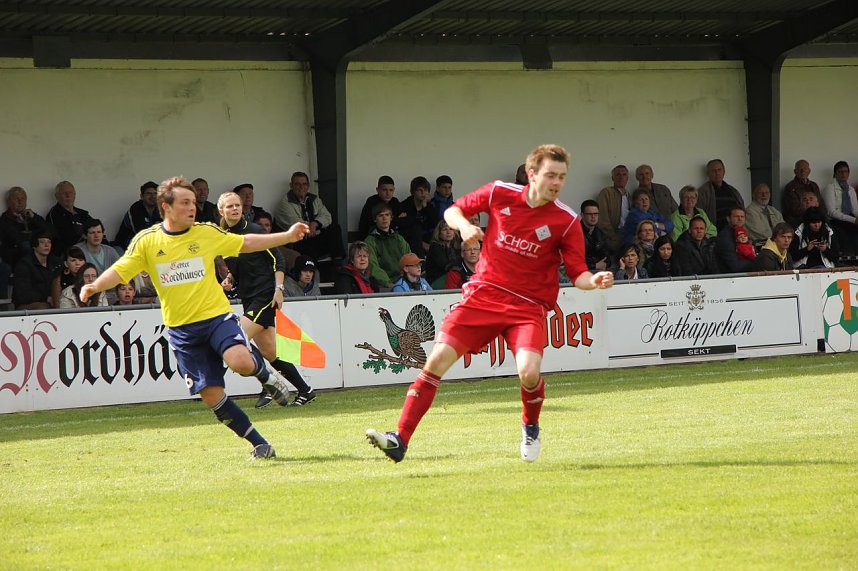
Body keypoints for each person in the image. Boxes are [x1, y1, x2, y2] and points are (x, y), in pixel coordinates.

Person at [366, 144, 614, 464]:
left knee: (528, 372)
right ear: (532, 174)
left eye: (562, 178)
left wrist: (593, 281)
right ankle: (399, 438)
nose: (556, 183)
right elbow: (452, 211)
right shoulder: (500, 193)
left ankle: (530, 424)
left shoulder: (566, 220)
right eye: (551, 175)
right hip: (483, 296)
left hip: (527, 308)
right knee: (436, 361)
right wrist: (466, 226)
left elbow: (578, 272)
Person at [79, 176, 311, 459]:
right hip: (182, 331)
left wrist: (287, 236)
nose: (192, 208)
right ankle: (260, 444)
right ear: (166, 206)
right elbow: (120, 270)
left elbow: (247, 241)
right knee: (212, 397)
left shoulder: (205, 233)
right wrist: (94, 286)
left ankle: (265, 376)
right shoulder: (147, 241)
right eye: (185, 202)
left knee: (239, 361)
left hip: (216, 318)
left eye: (193, 202)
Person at [217, 191, 317, 410]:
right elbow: (241, 264)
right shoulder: (222, 236)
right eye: (230, 206)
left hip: (264, 296)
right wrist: (230, 277)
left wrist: (279, 289)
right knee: (270, 352)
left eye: (237, 205)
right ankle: (305, 391)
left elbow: (278, 261)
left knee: (235, 338)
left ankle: (269, 384)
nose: (234, 209)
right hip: (248, 296)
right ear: (221, 211)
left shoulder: (254, 231)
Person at [275, 171, 345, 261]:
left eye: (304, 184)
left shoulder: (314, 199)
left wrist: (315, 223)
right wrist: (312, 227)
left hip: (315, 235)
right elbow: (296, 225)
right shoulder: (284, 203)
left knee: (334, 228)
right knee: (308, 248)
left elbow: (327, 217)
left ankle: (338, 265)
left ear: (308, 186)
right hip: (297, 241)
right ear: (291, 186)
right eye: (297, 184)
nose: (301, 187)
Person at [364, 202, 411, 289]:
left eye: (387, 215)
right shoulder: (370, 241)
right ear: (375, 219)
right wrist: (387, 283)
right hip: (383, 284)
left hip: (403, 280)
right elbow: (372, 266)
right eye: (380, 215)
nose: (384, 218)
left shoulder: (399, 238)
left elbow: (409, 258)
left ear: (391, 218)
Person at [13, 230, 62, 310]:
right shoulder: (24, 265)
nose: (46, 245)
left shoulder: (56, 262)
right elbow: (23, 294)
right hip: (27, 304)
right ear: (34, 245)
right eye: (42, 242)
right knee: (43, 307)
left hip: (53, 300)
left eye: (49, 242)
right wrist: (46, 298)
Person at [0, 186, 47, 268]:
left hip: (37, 256)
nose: (20, 201)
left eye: (23, 198)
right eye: (16, 199)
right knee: (26, 245)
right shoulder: (4, 220)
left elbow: (50, 231)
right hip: (16, 259)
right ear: (8, 202)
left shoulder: (31, 216)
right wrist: (36, 235)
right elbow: (16, 238)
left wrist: (34, 217)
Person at [45, 180, 93, 256]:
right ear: (57, 196)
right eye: (64, 193)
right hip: (70, 253)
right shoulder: (54, 214)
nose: (68, 195)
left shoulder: (82, 213)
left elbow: (95, 226)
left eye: (70, 193)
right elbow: (64, 237)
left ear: (74, 195)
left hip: (90, 248)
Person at [821, 161, 858, 256]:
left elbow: (855, 210)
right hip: (835, 220)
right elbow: (831, 212)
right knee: (845, 233)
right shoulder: (830, 188)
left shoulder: (850, 189)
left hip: (850, 219)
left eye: (846, 171)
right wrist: (853, 220)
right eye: (840, 172)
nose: (843, 174)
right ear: (835, 173)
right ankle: (848, 258)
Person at [696, 159, 744, 230]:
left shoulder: (733, 191)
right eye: (713, 171)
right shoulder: (703, 192)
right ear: (708, 174)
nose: (717, 173)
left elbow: (742, 210)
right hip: (716, 233)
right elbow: (699, 215)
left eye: (719, 170)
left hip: (736, 232)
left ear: (724, 172)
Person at [596, 164, 632, 257]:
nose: (621, 177)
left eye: (624, 175)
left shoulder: (630, 196)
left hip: (628, 233)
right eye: (618, 175)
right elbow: (602, 218)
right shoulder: (606, 193)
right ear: (613, 178)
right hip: (613, 234)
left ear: (627, 177)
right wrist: (613, 236)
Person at [114, 181, 163, 250]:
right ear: (142, 196)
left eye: (155, 193)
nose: (153, 196)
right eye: (148, 193)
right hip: (126, 245)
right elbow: (141, 233)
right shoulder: (136, 208)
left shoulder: (160, 208)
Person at [398, 176, 438, 258]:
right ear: (413, 191)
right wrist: (421, 243)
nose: (423, 193)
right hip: (409, 241)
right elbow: (404, 227)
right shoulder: (404, 206)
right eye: (420, 190)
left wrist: (425, 207)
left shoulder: (430, 207)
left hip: (427, 240)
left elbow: (435, 224)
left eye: (426, 191)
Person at [782, 160, 825, 228]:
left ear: (809, 171)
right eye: (800, 169)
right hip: (799, 219)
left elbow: (821, 203)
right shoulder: (790, 187)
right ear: (795, 171)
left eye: (805, 168)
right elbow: (794, 209)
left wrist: (821, 216)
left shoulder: (814, 185)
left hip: (816, 218)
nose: (803, 171)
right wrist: (811, 207)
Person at [715, 206, 755, 273]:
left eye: (742, 217)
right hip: (729, 279)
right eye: (736, 216)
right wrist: (755, 262)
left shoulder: (742, 232)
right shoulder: (725, 237)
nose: (740, 219)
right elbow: (735, 266)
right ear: (728, 219)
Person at [424, 219, 462, 288]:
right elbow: (446, 266)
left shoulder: (456, 247)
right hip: (436, 281)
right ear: (439, 233)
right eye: (445, 229)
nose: (448, 232)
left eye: (451, 229)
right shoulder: (435, 247)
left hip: (451, 278)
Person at [580, 200, 609, 272]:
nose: (593, 217)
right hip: (580, 273)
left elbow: (607, 258)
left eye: (596, 214)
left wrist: (604, 264)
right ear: (582, 215)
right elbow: (574, 259)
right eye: (590, 214)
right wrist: (595, 265)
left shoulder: (601, 234)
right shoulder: (575, 233)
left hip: (599, 272)